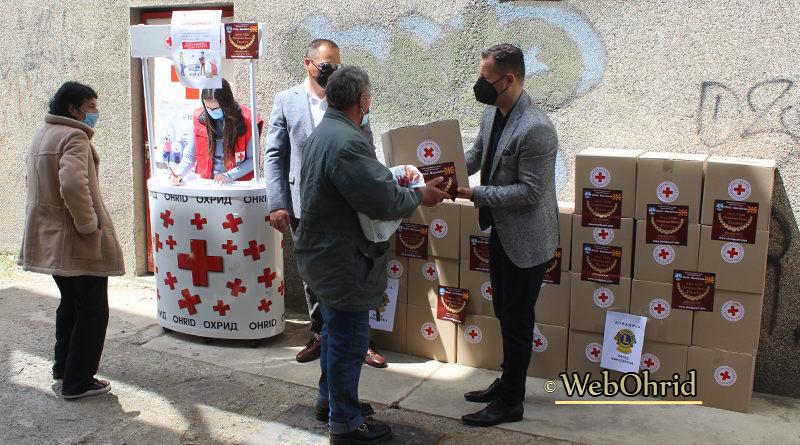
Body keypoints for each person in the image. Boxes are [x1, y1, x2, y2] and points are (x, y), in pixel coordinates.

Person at [295, 65, 449, 444]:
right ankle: (345, 424)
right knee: (349, 340)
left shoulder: (325, 132)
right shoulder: (346, 142)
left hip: (323, 254)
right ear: (362, 100)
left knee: (333, 333)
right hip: (341, 260)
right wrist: (420, 195)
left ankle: (330, 402)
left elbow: (359, 186)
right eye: (370, 98)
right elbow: (381, 200)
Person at [264, 39, 387, 369]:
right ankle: (321, 334)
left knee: (355, 270)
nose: (331, 71)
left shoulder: (349, 99)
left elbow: (367, 149)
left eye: (336, 65)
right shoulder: (286, 101)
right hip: (303, 206)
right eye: (325, 65)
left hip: (347, 203)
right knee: (312, 275)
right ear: (308, 63)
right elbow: (274, 155)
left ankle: (359, 339)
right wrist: (277, 203)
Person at [456, 44, 560, 427]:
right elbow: (477, 155)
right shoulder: (493, 112)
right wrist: (440, 170)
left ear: (509, 79)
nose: (479, 84)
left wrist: (473, 194)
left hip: (527, 240)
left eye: (485, 78)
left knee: (517, 320)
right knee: (504, 311)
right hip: (501, 230)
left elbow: (530, 192)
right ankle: (507, 380)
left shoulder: (536, 128)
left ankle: (512, 401)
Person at [18, 81, 125, 399]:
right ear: (72, 108)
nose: (96, 112)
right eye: (91, 106)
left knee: (70, 305)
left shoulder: (44, 133)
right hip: (77, 239)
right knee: (92, 309)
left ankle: (64, 369)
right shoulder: (75, 136)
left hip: (50, 236)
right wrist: (88, 224)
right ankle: (78, 382)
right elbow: (72, 184)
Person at [170, 78, 263, 186]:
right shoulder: (197, 118)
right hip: (206, 184)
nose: (211, 112)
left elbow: (253, 160)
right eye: (208, 108)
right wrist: (179, 173)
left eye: (216, 108)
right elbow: (190, 155)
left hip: (236, 186)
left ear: (227, 104)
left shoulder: (249, 121)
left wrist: (228, 176)